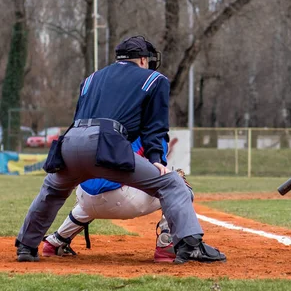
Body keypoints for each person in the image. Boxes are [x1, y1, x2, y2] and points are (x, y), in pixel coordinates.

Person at [16, 36, 226, 264]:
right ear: (144, 59)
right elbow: (155, 127)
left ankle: (26, 246)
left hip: (70, 141)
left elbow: (81, 116)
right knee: (172, 183)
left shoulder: (91, 79)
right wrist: (156, 158)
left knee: (51, 190)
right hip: (105, 144)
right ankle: (190, 246)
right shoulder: (155, 79)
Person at [42, 137, 187, 263]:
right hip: (122, 199)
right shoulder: (152, 130)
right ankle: (166, 245)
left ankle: (55, 241)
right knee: (177, 185)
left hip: (84, 196)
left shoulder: (102, 127)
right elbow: (160, 176)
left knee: (96, 191)